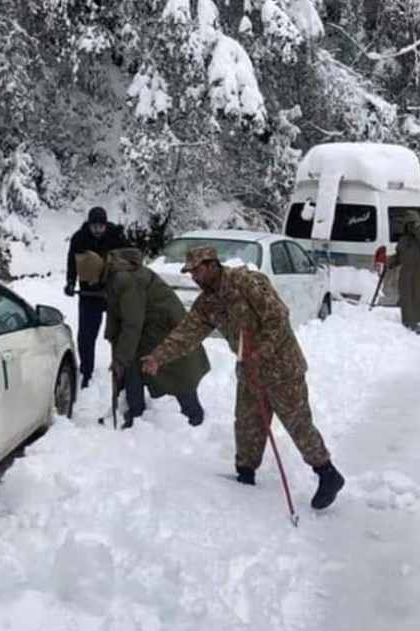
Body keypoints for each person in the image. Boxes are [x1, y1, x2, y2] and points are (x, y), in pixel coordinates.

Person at [140, 247, 344, 509]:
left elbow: (278, 317)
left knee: (298, 424)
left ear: (212, 265)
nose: (193, 277)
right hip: (249, 371)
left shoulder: (246, 282)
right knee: (247, 424)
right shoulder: (208, 302)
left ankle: (327, 474)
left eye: (196, 270)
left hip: (282, 368)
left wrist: (262, 351)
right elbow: (187, 333)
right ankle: (245, 476)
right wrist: (158, 357)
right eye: (190, 272)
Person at [102, 247, 209, 428]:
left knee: (178, 372)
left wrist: (121, 356)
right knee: (133, 366)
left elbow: (132, 322)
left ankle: (194, 416)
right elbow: (115, 310)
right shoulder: (115, 275)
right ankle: (134, 413)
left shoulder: (124, 279)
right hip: (152, 326)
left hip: (164, 327)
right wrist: (112, 336)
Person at [65, 206, 128, 388]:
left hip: (113, 293)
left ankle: (121, 370)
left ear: (106, 225)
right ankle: (86, 371)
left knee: (119, 333)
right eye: (95, 227)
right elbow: (72, 262)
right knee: (86, 336)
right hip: (89, 293)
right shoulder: (79, 239)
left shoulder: (116, 237)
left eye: (101, 226)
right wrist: (70, 282)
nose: (98, 230)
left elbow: (129, 260)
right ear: (90, 225)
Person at [387, 210, 420, 337]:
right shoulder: (404, 239)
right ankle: (409, 323)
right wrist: (390, 262)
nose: (410, 227)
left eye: (412, 223)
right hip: (407, 274)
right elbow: (400, 256)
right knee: (408, 299)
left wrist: (417, 230)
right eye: (408, 224)